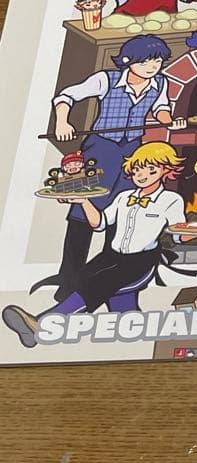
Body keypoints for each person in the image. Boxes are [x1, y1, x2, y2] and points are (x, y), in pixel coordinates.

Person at [3, 144, 197, 348]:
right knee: (96, 290)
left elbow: (178, 235)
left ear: (166, 170)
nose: (143, 175)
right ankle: (137, 332)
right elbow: (100, 223)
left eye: (151, 169)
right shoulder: (123, 197)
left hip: (140, 261)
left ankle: (42, 325)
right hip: (111, 256)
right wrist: (83, 201)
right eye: (138, 169)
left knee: (97, 285)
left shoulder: (171, 200)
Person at [43, 36, 186, 302]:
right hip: (101, 149)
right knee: (83, 213)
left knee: (121, 210)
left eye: (157, 61)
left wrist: (169, 120)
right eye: (146, 61)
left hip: (132, 151)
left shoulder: (160, 83)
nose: (152, 67)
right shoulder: (105, 80)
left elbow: (161, 108)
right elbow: (66, 96)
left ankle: (107, 278)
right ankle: (68, 280)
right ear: (128, 61)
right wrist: (62, 122)